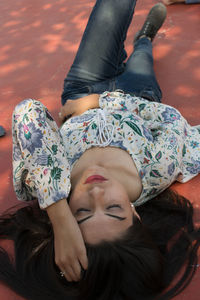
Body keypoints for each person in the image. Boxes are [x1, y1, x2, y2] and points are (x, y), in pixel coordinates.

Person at [0, 1, 200, 300]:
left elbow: (27, 112)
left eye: (81, 213)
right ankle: (145, 37)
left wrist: (59, 215)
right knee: (142, 56)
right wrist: (101, 103)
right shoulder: (159, 170)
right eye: (114, 209)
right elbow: (169, 120)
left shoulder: (50, 186)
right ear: (136, 215)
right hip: (138, 92)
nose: (96, 195)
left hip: (84, 84)